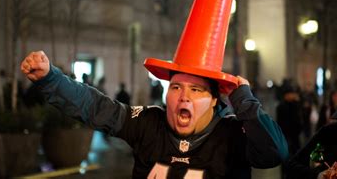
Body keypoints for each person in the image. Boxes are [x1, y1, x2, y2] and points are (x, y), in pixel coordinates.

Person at [20, 50, 288, 177]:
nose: (183, 96)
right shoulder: (149, 123)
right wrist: (51, 79)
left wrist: (244, 99)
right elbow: (95, 107)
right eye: (176, 87)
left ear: (215, 99)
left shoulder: (232, 135)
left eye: (196, 90)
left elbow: (273, 153)